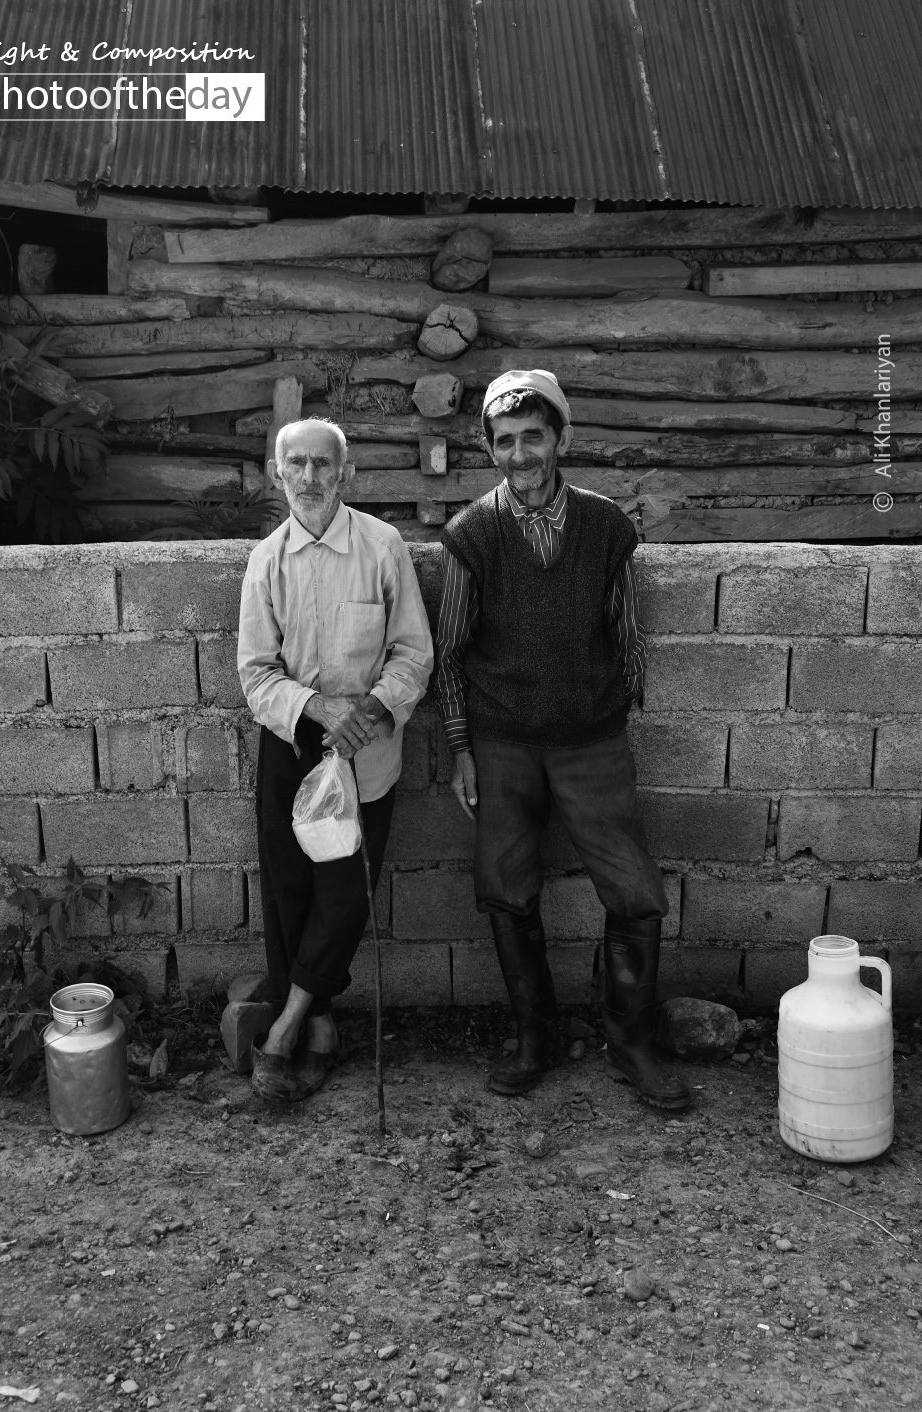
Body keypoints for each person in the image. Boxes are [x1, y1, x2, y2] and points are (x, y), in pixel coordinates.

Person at [435, 370, 689, 1109]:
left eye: (534, 438)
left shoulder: (607, 526)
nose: (521, 455)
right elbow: (450, 653)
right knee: (508, 894)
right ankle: (536, 1037)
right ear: (490, 449)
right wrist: (460, 748)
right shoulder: (471, 535)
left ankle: (631, 1043)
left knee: (635, 895)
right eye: (506, 442)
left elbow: (626, 630)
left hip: (591, 743)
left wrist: (613, 711)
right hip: (503, 744)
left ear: (561, 439)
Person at [237, 418, 433, 1101]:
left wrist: (371, 713)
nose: (312, 477)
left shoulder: (382, 549)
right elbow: (256, 673)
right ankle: (322, 1022)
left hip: (367, 753)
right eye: (299, 464)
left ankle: (286, 1028)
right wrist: (319, 709)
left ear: (345, 474)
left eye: (325, 465)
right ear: (278, 473)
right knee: (290, 892)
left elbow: (414, 654)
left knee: (344, 896)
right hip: (292, 745)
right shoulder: (266, 561)